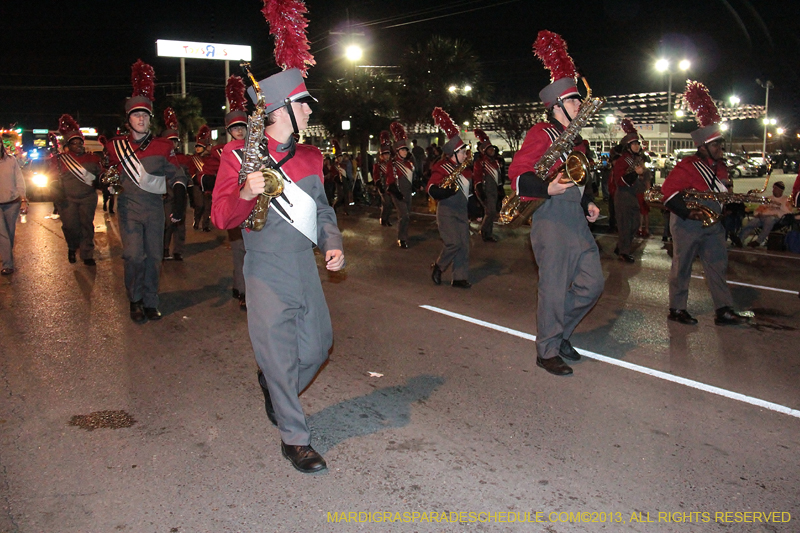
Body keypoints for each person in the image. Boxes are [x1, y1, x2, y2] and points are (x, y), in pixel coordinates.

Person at [211, 66, 344, 474]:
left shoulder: (310, 156)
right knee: (281, 356)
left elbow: (321, 208)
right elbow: (220, 217)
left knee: (319, 346)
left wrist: (332, 242)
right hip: (265, 268)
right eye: (303, 105)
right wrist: (246, 192)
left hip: (304, 264)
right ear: (282, 109)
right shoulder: (237, 157)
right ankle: (295, 439)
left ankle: (274, 383)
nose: (308, 113)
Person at [507, 30, 604, 377]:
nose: (580, 108)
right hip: (550, 220)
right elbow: (518, 176)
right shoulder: (541, 134)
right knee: (552, 289)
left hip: (575, 220)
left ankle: (559, 333)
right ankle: (547, 350)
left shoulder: (577, 142)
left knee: (593, 284)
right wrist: (548, 188)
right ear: (558, 106)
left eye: (579, 101)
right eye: (575, 102)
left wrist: (588, 201)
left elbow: (579, 180)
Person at [660, 80, 751, 326]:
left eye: (720, 144)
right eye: (714, 145)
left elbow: (719, 194)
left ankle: (723, 309)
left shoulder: (721, 168)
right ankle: (677, 309)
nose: (719, 148)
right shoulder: (688, 166)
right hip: (688, 223)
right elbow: (668, 192)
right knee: (682, 267)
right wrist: (691, 215)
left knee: (718, 266)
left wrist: (732, 203)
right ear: (702, 147)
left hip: (713, 225)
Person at [105, 59, 187, 323]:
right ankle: (135, 299)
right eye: (135, 115)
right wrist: (106, 181)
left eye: (145, 115)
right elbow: (108, 174)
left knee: (153, 257)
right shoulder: (115, 147)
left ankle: (150, 301)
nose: (140, 119)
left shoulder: (163, 146)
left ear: (150, 119)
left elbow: (177, 175)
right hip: (129, 207)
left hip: (154, 208)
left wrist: (178, 202)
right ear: (128, 120)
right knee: (133, 256)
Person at [428, 107, 473, 288]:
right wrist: (443, 192)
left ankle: (459, 277)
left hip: (462, 211)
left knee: (464, 245)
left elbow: (469, 193)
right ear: (453, 154)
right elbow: (431, 188)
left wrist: (475, 209)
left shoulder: (466, 171)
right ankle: (439, 266)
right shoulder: (441, 167)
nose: (465, 155)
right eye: (462, 152)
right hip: (446, 211)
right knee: (453, 243)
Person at [50, 114, 103, 266]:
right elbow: (52, 178)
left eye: (80, 142)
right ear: (68, 145)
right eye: (74, 143)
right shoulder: (59, 160)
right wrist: (55, 189)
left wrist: (103, 181)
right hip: (67, 199)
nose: (78, 145)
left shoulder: (92, 159)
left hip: (87, 197)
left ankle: (87, 253)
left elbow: (100, 175)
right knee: (70, 226)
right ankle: (72, 247)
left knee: (87, 224)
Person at [612, 119, 649, 263]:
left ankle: (621, 247)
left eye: (637, 143)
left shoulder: (638, 159)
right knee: (625, 225)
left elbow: (643, 176)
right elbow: (620, 180)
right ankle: (624, 252)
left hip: (633, 195)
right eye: (634, 143)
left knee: (634, 225)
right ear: (628, 146)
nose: (636, 146)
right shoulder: (623, 160)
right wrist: (635, 173)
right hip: (623, 195)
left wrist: (643, 175)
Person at [159, 107, 191, 261]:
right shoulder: (160, 158)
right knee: (166, 223)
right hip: (165, 195)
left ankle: (178, 250)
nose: (172, 144)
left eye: (174, 141)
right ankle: (164, 248)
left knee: (180, 224)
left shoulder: (183, 158)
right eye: (169, 141)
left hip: (180, 194)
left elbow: (188, 177)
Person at [735, 181, 792, 247]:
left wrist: (775, 214)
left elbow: (788, 212)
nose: (773, 190)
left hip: (776, 219)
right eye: (773, 188)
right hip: (762, 217)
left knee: (769, 220)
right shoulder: (768, 199)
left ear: (780, 190)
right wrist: (758, 213)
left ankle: (758, 241)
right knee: (752, 222)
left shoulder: (785, 200)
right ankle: (740, 239)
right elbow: (759, 209)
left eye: (775, 188)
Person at [0, 140, 27, 275]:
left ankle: (6, 255)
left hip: (12, 203)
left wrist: (23, 199)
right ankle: (7, 264)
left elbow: (19, 180)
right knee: (2, 234)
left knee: (9, 233)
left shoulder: (11, 161)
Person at [472, 128, 501, 242]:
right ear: (485, 151)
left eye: (492, 149)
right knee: (491, 211)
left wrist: (500, 188)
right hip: (485, 190)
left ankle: (488, 233)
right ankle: (484, 231)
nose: (492, 151)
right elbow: (477, 177)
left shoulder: (495, 162)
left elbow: (498, 177)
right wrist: (480, 191)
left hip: (493, 190)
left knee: (491, 212)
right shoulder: (480, 162)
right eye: (489, 149)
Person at [390, 122, 414, 248]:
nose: (405, 152)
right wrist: (397, 193)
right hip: (398, 193)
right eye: (403, 150)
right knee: (403, 215)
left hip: (408, 193)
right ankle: (401, 238)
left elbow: (412, 178)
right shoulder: (393, 164)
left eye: (405, 149)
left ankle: (404, 235)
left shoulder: (409, 164)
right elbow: (390, 182)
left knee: (407, 216)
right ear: (397, 151)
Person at [190, 125, 213, 232]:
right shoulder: (193, 158)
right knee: (200, 205)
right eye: (196, 146)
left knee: (208, 207)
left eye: (199, 146)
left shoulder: (210, 159)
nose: (197, 148)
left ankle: (205, 226)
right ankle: (196, 221)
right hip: (197, 185)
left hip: (208, 186)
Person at [374, 132, 395, 227]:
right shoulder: (378, 165)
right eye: (384, 154)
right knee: (387, 203)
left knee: (389, 204)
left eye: (388, 154)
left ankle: (386, 219)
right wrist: (379, 185)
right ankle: (383, 218)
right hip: (382, 186)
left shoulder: (391, 164)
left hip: (390, 185)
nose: (386, 156)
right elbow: (376, 175)